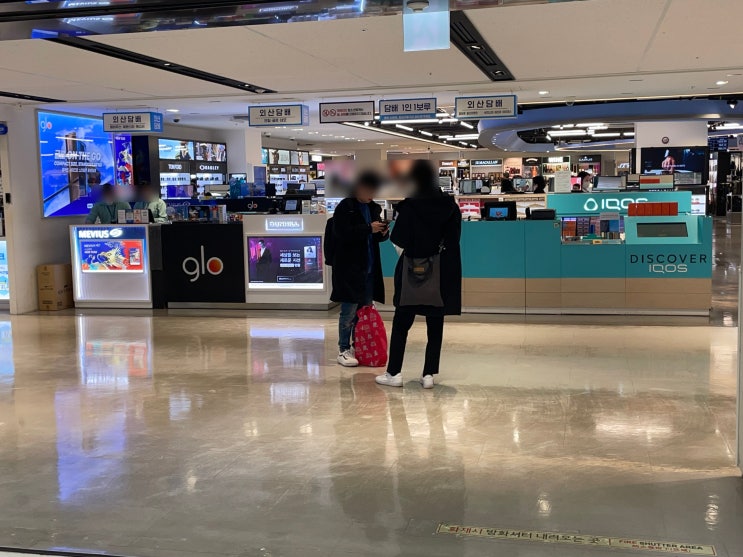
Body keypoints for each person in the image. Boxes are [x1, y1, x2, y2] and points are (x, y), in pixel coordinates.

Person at [375, 160, 462, 389]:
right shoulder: (450, 206)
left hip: (411, 274)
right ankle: (429, 375)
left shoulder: (410, 206)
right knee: (435, 325)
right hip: (439, 274)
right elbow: (454, 241)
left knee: (401, 324)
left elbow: (399, 239)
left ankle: (394, 373)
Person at [330, 171, 389, 367]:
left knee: (364, 311)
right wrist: (368, 228)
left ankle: (360, 345)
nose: (372, 194)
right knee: (348, 311)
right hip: (350, 268)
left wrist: (382, 232)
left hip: (369, 268)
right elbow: (342, 233)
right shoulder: (345, 208)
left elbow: (375, 237)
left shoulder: (373, 208)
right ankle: (343, 348)